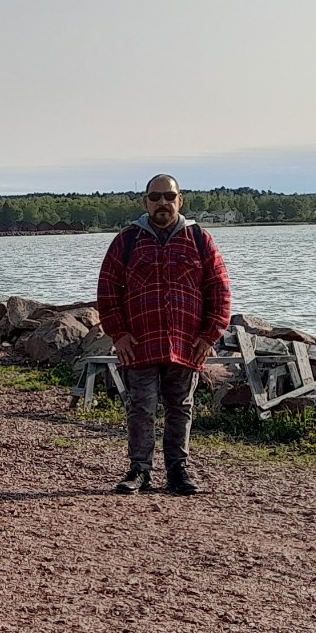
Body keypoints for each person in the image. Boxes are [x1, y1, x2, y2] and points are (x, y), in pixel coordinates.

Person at [96, 174, 231, 495]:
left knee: (181, 406)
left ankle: (177, 469)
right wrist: (119, 334)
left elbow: (220, 290)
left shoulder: (199, 239)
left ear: (179, 200)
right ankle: (139, 470)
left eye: (169, 197)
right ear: (145, 202)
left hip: (187, 342)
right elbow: (107, 290)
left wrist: (209, 335)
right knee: (140, 407)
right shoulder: (127, 240)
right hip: (140, 343)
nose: (162, 203)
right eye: (155, 197)